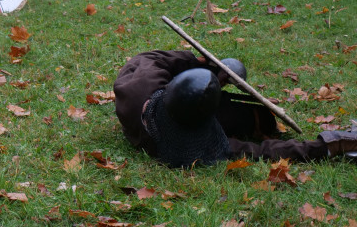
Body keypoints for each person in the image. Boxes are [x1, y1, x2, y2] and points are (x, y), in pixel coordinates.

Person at [114, 49, 357, 166]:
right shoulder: (189, 148)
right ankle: (254, 119)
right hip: (200, 122)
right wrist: (326, 146)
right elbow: (258, 151)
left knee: (256, 118)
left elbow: (149, 58)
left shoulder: (141, 87)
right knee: (253, 119)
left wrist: (209, 67)